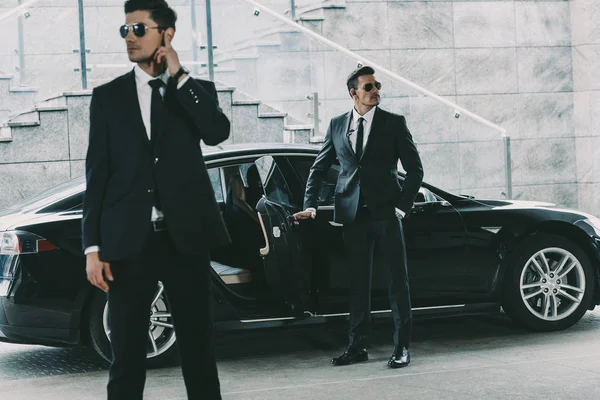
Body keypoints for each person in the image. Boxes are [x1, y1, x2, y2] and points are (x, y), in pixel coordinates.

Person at [81, 0, 230, 398]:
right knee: (126, 353)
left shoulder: (193, 91)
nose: (129, 37)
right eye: (125, 30)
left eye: (139, 29)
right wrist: (92, 247)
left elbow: (217, 132)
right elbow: (97, 177)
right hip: (129, 243)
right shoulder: (108, 97)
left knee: (198, 348)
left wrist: (179, 75)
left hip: (185, 240)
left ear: (167, 35)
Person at [294, 66, 424, 368]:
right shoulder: (338, 124)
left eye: (377, 85)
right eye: (369, 87)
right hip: (352, 215)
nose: (376, 90)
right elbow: (319, 167)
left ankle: (401, 347)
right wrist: (311, 204)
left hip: (386, 213)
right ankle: (357, 347)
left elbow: (415, 170)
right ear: (354, 93)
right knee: (357, 283)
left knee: (397, 282)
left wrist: (402, 207)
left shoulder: (394, 123)